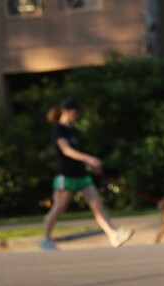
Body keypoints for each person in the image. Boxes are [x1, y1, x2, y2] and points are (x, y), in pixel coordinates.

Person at [38, 98, 134, 249]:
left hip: (81, 174)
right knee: (59, 208)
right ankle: (45, 238)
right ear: (65, 111)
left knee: (97, 205)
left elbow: (76, 153)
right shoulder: (59, 129)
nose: (77, 115)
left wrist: (90, 164)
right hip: (66, 175)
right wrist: (89, 158)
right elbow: (66, 150)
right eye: (75, 112)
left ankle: (113, 234)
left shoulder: (74, 130)